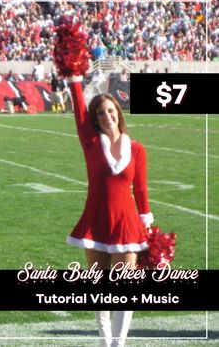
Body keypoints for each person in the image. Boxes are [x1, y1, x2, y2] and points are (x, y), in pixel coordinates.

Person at [66, 75, 154, 347]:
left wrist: (147, 223)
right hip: (96, 220)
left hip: (127, 222)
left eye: (110, 111)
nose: (106, 116)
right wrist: (74, 80)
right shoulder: (91, 143)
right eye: (101, 113)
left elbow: (140, 189)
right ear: (95, 118)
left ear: (119, 113)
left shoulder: (137, 149)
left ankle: (119, 345)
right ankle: (105, 343)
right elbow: (80, 111)